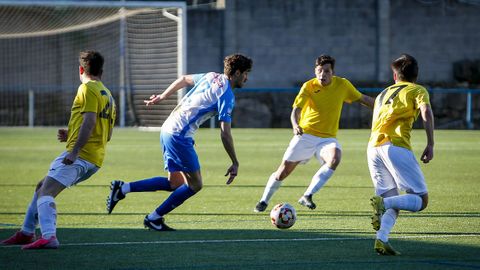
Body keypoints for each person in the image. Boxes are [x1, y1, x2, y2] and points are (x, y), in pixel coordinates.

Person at [106, 54, 253, 231]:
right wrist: (235, 162)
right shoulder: (227, 95)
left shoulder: (211, 76)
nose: (247, 77)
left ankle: (123, 189)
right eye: (246, 73)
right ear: (237, 73)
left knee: (174, 184)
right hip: (178, 135)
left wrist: (163, 96)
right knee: (195, 185)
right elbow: (225, 133)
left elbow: (184, 79)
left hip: (168, 128)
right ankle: (154, 217)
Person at [1, 51, 116, 249]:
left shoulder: (87, 88)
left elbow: (89, 121)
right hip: (95, 158)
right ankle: (27, 232)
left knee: (46, 192)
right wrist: (71, 133)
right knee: (41, 186)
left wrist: (75, 150)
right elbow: (107, 133)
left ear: (81, 69)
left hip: (80, 156)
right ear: (101, 71)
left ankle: (49, 237)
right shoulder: (108, 94)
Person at [254, 55, 374, 212]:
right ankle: (264, 200)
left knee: (335, 158)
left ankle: (307, 195)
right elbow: (296, 110)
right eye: (319, 71)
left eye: (326, 71)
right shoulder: (308, 86)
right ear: (315, 71)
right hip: (306, 135)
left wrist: (384, 107)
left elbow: (363, 99)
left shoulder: (342, 85)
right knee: (283, 172)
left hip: (327, 139)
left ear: (332, 72)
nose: (322, 74)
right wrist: (295, 125)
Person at [368, 54, 434, 255]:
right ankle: (382, 203)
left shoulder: (382, 93)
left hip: (373, 148)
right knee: (421, 200)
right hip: (394, 146)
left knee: (396, 201)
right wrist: (430, 143)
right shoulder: (417, 90)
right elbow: (426, 112)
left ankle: (382, 239)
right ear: (416, 75)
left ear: (395, 77)